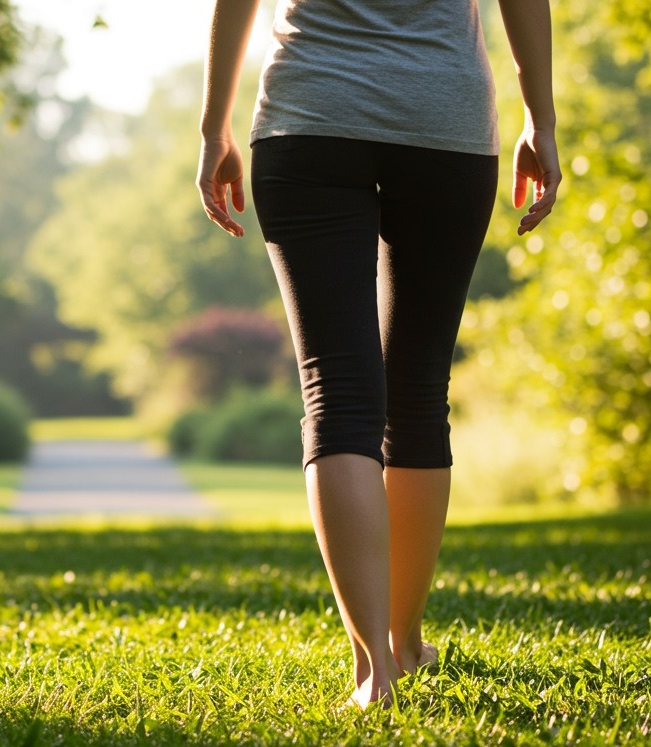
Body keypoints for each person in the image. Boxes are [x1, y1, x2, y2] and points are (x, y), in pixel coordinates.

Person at [197, 0, 561, 709]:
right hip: (445, 124)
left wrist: (214, 127)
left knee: (338, 393)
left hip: (310, 118)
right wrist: (540, 120)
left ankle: (375, 674)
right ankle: (402, 640)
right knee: (417, 393)